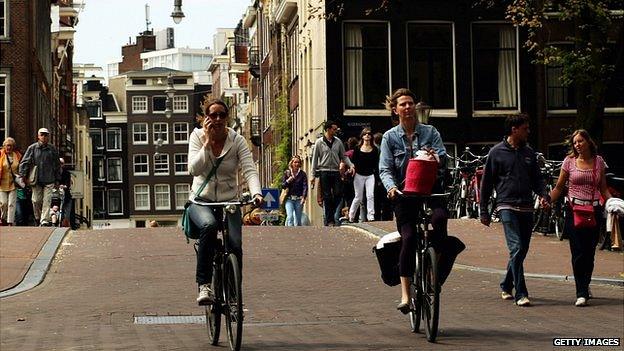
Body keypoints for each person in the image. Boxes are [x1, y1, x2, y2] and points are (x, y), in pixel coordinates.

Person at [379, 88, 464, 314]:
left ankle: (433, 269)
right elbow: (385, 169)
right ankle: (406, 295)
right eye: (403, 104)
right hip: (404, 195)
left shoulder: (430, 132)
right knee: (408, 238)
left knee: (440, 219)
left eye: (410, 103)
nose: (408, 107)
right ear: (395, 110)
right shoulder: (389, 137)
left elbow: (443, 158)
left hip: (430, 190)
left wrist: (434, 156)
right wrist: (392, 188)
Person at [187, 99, 263, 305]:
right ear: (206, 118)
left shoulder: (237, 140)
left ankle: (233, 292)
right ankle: (204, 286)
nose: (218, 119)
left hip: (229, 201)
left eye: (222, 114)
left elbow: (249, 169)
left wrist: (257, 193)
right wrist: (207, 144)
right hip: (201, 201)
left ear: (227, 117)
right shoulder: (197, 136)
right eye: (213, 115)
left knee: (235, 245)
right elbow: (194, 170)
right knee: (209, 226)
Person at [479, 114, 550, 307]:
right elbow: (486, 184)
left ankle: (505, 284)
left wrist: (544, 195)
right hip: (506, 205)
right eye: (525, 128)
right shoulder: (496, 152)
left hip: (526, 206)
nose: (528, 132)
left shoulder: (529, 153)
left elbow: (537, 179)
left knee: (521, 250)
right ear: (514, 129)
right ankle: (521, 293)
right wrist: (483, 211)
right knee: (516, 247)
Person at [549, 129, 612, 307]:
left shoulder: (599, 162)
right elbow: (560, 187)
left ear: (588, 142)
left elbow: (603, 188)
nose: (577, 144)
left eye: (580, 141)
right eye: (575, 142)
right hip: (574, 210)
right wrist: (548, 200)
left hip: (593, 211)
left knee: (589, 253)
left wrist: (613, 203)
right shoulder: (569, 162)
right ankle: (581, 292)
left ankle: (585, 283)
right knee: (577, 253)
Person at [310, 120, 354, 226]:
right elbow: (315, 159)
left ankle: (332, 212)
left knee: (338, 193)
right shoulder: (319, 142)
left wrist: (351, 165)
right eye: (334, 129)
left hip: (335, 170)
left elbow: (343, 156)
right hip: (324, 171)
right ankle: (330, 220)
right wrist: (312, 175)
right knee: (327, 196)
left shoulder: (338, 142)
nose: (336, 131)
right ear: (328, 129)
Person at [19, 128, 61, 226]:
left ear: (48, 137)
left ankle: (44, 220)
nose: (44, 137)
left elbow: (57, 164)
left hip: (49, 179)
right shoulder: (32, 148)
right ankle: (38, 217)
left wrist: (57, 179)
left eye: (46, 135)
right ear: (38, 136)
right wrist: (23, 175)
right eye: (42, 135)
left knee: (47, 201)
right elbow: (25, 162)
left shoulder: (52, 149)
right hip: (36, 179)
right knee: (36, 200)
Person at [348, 128, 379, 222]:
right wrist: (352, 169)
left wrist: (376, 175)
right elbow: (353, 162)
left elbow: (376, 163)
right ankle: (351, 215)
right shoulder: (357, 149)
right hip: (359, 175)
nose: (367, 135)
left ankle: (371, 216)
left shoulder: (374, 150)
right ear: (362, 136)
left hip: (370, 175)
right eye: (365, 134)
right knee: (358, 196)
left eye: (369, 134)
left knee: (370, 195)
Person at [0, 137, 22, 226]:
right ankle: (3, 218)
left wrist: (21, 177)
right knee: (3, 203)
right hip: (2, 183)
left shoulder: (17, 155)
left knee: (11, 204)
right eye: (7, 145)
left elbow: (21, 166)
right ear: (4, 146)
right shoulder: (0, 154)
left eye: (11, 146)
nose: (9, 147)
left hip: (13, 183)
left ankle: (10, 222)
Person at [281, 155, 308, 226]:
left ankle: (297, 235)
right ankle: (290, 234)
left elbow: (305, 186)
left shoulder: (302, 174)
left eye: (298, 162)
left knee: (298, 220)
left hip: (299, 199)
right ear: (292, 163)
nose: (297, 164)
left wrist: (303, 197)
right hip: (289, 199)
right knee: (290, 217)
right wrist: (288, 180)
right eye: (295, 162)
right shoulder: (287, 173)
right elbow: (283, 186)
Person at [58, 158, 74, 228]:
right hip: (56, 196)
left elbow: (68, 184)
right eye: (59, 163)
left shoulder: (67, 173)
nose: (60, 165)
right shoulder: (54, 172)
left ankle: (66, 224)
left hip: (66, 196)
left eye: (61, 163)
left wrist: (65, 186)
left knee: (67, 213)